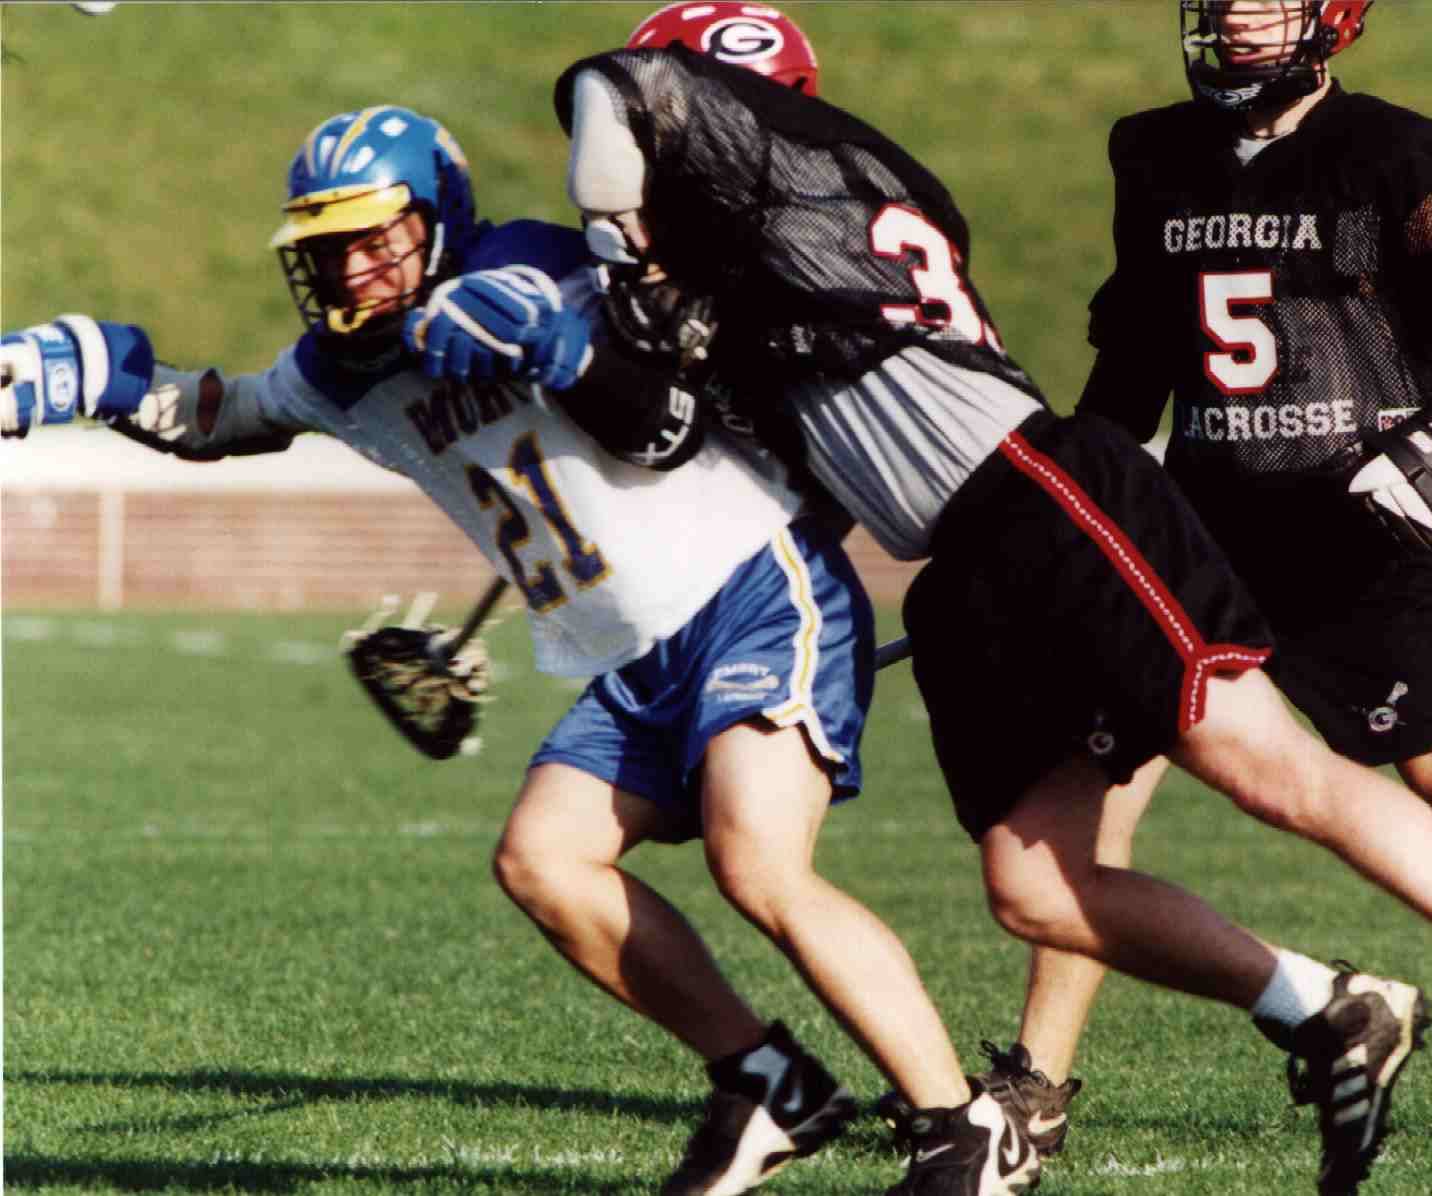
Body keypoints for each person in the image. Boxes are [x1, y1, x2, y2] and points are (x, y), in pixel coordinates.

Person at [411, 4, 1432, 1190]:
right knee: (1032, 880)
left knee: (1270, 764)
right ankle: (1324, 1007)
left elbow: (609, 86)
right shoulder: (787, 232)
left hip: (1048, 495)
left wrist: (613, 242)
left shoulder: (792, 204)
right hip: (977, 556)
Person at [0, 103, 1039, 1196]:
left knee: (757, 860)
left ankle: (963, 1127)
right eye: (328, 247)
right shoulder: (345, 367)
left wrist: (564, 338)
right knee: (542, 860)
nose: (350, 268)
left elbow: (667, 400)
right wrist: (106, 376)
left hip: (750, 590)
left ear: (436, 216)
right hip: (631, 653)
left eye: (373, 236)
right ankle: (767, 1081)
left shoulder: (534, 264)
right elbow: (230, 413)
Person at [970, 0, 1432, 1168]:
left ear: (1330, 15)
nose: (1236, 19)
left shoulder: (1398, 154)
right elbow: (1135, 357)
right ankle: (1034, 1082)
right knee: (1098, 787)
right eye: (1222, 0)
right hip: (1195, 531)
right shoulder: (1153, 153)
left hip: (1355, 521)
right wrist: (1074, 502)